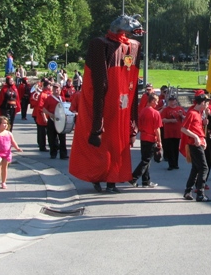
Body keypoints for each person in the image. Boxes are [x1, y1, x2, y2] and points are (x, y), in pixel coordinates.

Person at [69, 14, 143, 194]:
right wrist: (97, 126)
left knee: (117, 147)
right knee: (103, 147)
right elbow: (98, 84)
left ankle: (112, 180)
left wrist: (132, 123)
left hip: (121, 105)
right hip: (107, 105)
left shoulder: (132, 46)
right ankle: (98, 178)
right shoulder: (101, 45)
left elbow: (131, 83)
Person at [180, 92, 211, 202]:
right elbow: (183, 128)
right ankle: (200, 194)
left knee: (196, 168)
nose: (208, 105)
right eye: (206, 103)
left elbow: (196, 128)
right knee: (204, 168)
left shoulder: (198, 113)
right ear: (202, 102)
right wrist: (196, 137)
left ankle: (188, 191)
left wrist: (204, 125)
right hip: (194, 144)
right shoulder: (192, 113)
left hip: (197, 142)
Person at [129, 92, 162, 188]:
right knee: (146, 161)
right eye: (156, 101)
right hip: (151, 138)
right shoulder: (155, 113)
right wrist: (159, 141)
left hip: (143, 137)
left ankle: (146, 181)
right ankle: (134, 177)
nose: (157, 103)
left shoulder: (143, 111)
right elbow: (157, 129)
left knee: (145, 159)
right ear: (152, 101)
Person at [0, 116, 23, 190]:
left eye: (6, 124)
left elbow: (13, 142)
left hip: (7, 153)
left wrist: (17, 148)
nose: (5, 125)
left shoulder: (9, 133)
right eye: (3, 123)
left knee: (4, 168)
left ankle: (3, 182)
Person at [43, 83, 69, 160]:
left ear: (60, 90)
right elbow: (44, 109)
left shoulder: (62, 99)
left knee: (62, 138)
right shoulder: (49, 98)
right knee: (52, 138)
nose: (56, 90)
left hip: (61, 121)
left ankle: (63, 154)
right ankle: (53, 153)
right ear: (52, 90)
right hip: (52, 120)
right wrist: (50, 114)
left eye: (57, 89)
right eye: (54, 89)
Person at [160, 95, 186, 170]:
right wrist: (170, 121)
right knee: (169, 148)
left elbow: (186, 118)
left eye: (173, 100)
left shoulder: (180, 109)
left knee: (175, 148)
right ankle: (171, 164)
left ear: (176, 101)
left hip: (177, 132)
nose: (172, 102)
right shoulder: (166, 109)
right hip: (168, 132)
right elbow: (162, 119)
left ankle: (175, 164)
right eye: (170, 101)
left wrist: (181, 116)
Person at [31, 79, 51, 152]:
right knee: (42, 132)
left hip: (48, 115)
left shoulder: (50, 93)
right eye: (49, 85)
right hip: (42, 116)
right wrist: (44, 117)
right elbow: (40, 107)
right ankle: (42, 146)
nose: (50, 87)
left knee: (47, 131)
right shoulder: (42, 94)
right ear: (46, 86)